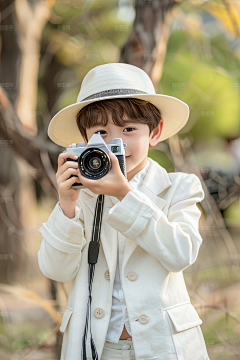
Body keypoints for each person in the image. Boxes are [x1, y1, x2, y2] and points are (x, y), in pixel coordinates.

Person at [38, 63, 210, 360]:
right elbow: (56, 270)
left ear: (154, 133)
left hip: (165, 346)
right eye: (101, 132)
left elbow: (182, 252)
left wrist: (124, 194)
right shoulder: (81, 197)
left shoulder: (179, 188)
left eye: (129, 129)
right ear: (85, 140)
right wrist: (66, 205)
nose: (115, 142)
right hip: (97, 346)